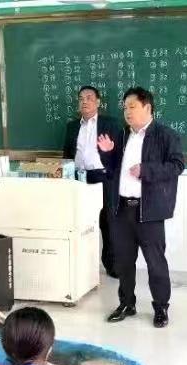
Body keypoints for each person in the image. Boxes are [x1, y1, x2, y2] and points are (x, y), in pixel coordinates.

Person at [98, 86, 185, 328]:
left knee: (155, 263)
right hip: (121, 209)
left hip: (149, 211)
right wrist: (107, 154)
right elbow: (113, 169)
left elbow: (177, 165)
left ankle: (161, 308)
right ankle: (127, 303)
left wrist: (146, 170)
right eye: (125, 107)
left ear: (147, 107)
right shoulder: (122, 135)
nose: (127, 112)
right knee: (124, 262)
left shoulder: (165, 135)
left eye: (132, 106)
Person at [63, 85, 123, 278]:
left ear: (98, 102)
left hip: (102, 178)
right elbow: (67, 154)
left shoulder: (111, 124)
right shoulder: (72, 126)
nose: (84, 101)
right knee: (79, 222)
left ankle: (113, 266)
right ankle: (81, 266)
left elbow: (120, 154)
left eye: (89, 97)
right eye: (81, 98)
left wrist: (111, 165)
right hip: (78, 178)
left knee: (108, 222)